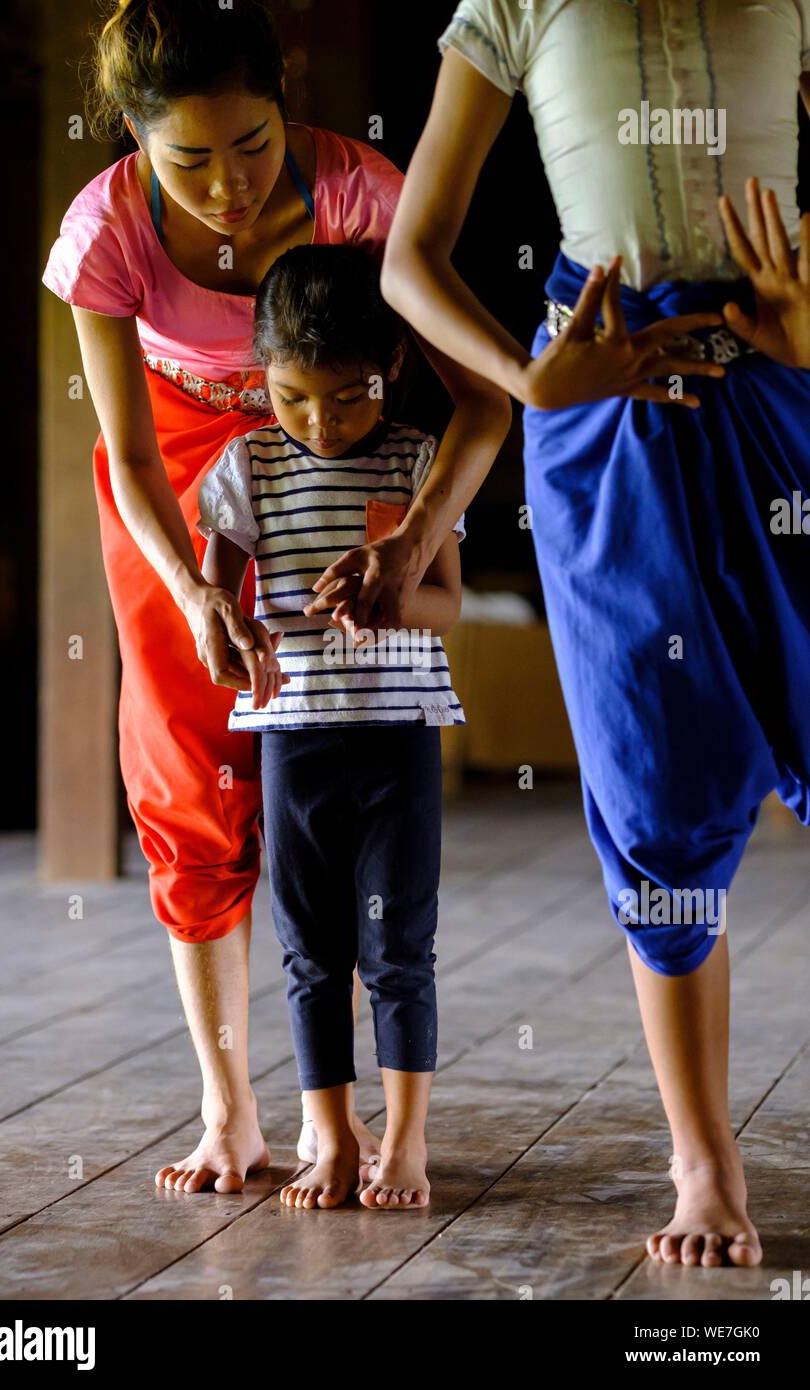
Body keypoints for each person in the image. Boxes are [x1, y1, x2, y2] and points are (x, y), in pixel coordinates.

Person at [313, 0, 810, 1265]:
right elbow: (407, 259)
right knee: (653, 787)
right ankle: (701, 1161)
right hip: (605, 408)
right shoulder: (515, 5)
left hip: (785, 381)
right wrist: (528, 380)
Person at [41, 0, 510, 1194]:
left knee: (332, 756)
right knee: (183, 762)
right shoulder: (107, 231)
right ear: (134, 140)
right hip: (178, 485)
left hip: (341, 456)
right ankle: (229, 1108)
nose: (229, 184)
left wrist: (410, 538)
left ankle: (343, 1110)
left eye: (251, 144)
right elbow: (134, 455)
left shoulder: (361, 192)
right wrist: (198, 592)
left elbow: (475, 400)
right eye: (187, 158)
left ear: (285, 103)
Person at [197, 244, 469, 1209]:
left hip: (398, 732)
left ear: (392, 366)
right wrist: (213, 615)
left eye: (348, 397)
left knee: (400, 946)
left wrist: (394, 596)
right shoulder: (246, 466)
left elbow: (448, 606)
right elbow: (212, 601)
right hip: (292, 738)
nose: (320, 422)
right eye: (292, 397)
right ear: (258, 376)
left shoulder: (415, 460)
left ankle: (405, 1143)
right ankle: (333, 1139)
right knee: (312, 949)